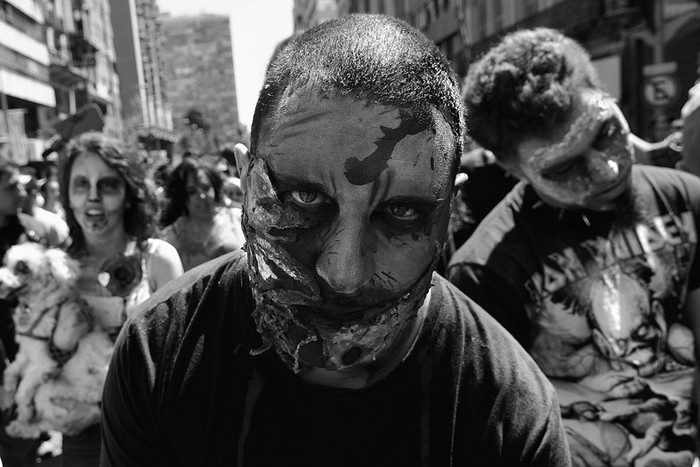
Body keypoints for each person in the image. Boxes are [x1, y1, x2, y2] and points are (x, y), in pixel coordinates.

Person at [100, 15, 570, 466]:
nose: (344, 273)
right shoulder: (160, 353)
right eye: (304, 198)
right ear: (244, 183)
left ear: (450, 209)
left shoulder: (507, 408)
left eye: (401, 212)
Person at [447, 27, 700, 466]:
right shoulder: (487, 273)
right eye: (564, 166)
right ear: (513, 168)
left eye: (605, 131)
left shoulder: (685, 200)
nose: (606, 169)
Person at [56, 132, 183, 465]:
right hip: (81, 436)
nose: (93, 199)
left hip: (149, 434)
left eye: (108, 185)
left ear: (128, 194)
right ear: (67, 196)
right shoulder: (56, 268)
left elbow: (181, 359)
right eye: (81, 185)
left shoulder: (157, 258)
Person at [0, 160, 70, 467]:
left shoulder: (33, 230)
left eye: (20, 184)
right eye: (10, 186)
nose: (21, 191)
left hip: (39, 352)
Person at [159, 158, 245, 271]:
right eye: (192, 192)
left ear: (215, 187)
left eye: (205, 188)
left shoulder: (239, 219)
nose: (202, 196)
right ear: (181, 196)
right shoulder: (170, 237)